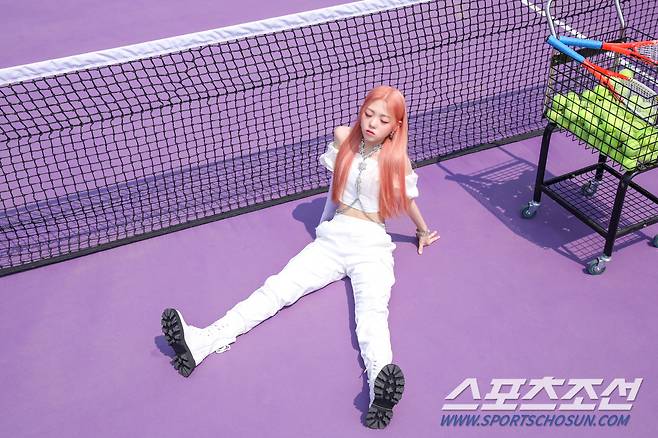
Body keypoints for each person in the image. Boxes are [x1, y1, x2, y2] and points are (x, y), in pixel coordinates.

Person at [161, 85, 440, 429]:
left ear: (396, 126)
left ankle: (379, 389)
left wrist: (422, 231)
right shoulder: (344, 138)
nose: (372, 123)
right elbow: (335, 187)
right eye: (368, 114)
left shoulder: (397, 160)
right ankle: (201, 342)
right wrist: (325, 223)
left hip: (371, 246)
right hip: (333, 239)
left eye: (382, 120)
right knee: (276, 290)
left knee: (372, 317)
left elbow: (408, 201)